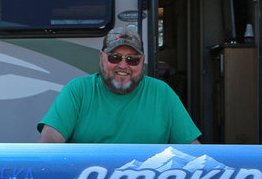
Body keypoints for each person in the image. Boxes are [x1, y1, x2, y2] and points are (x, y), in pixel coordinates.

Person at [37, 26, 200, 144]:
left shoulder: (163, 93)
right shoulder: (77, 91)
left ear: (142, 61)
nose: (123, 66)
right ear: (101, 57)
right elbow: (48, 145)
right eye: (115, 57)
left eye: (132, 59)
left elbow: (194, 153)